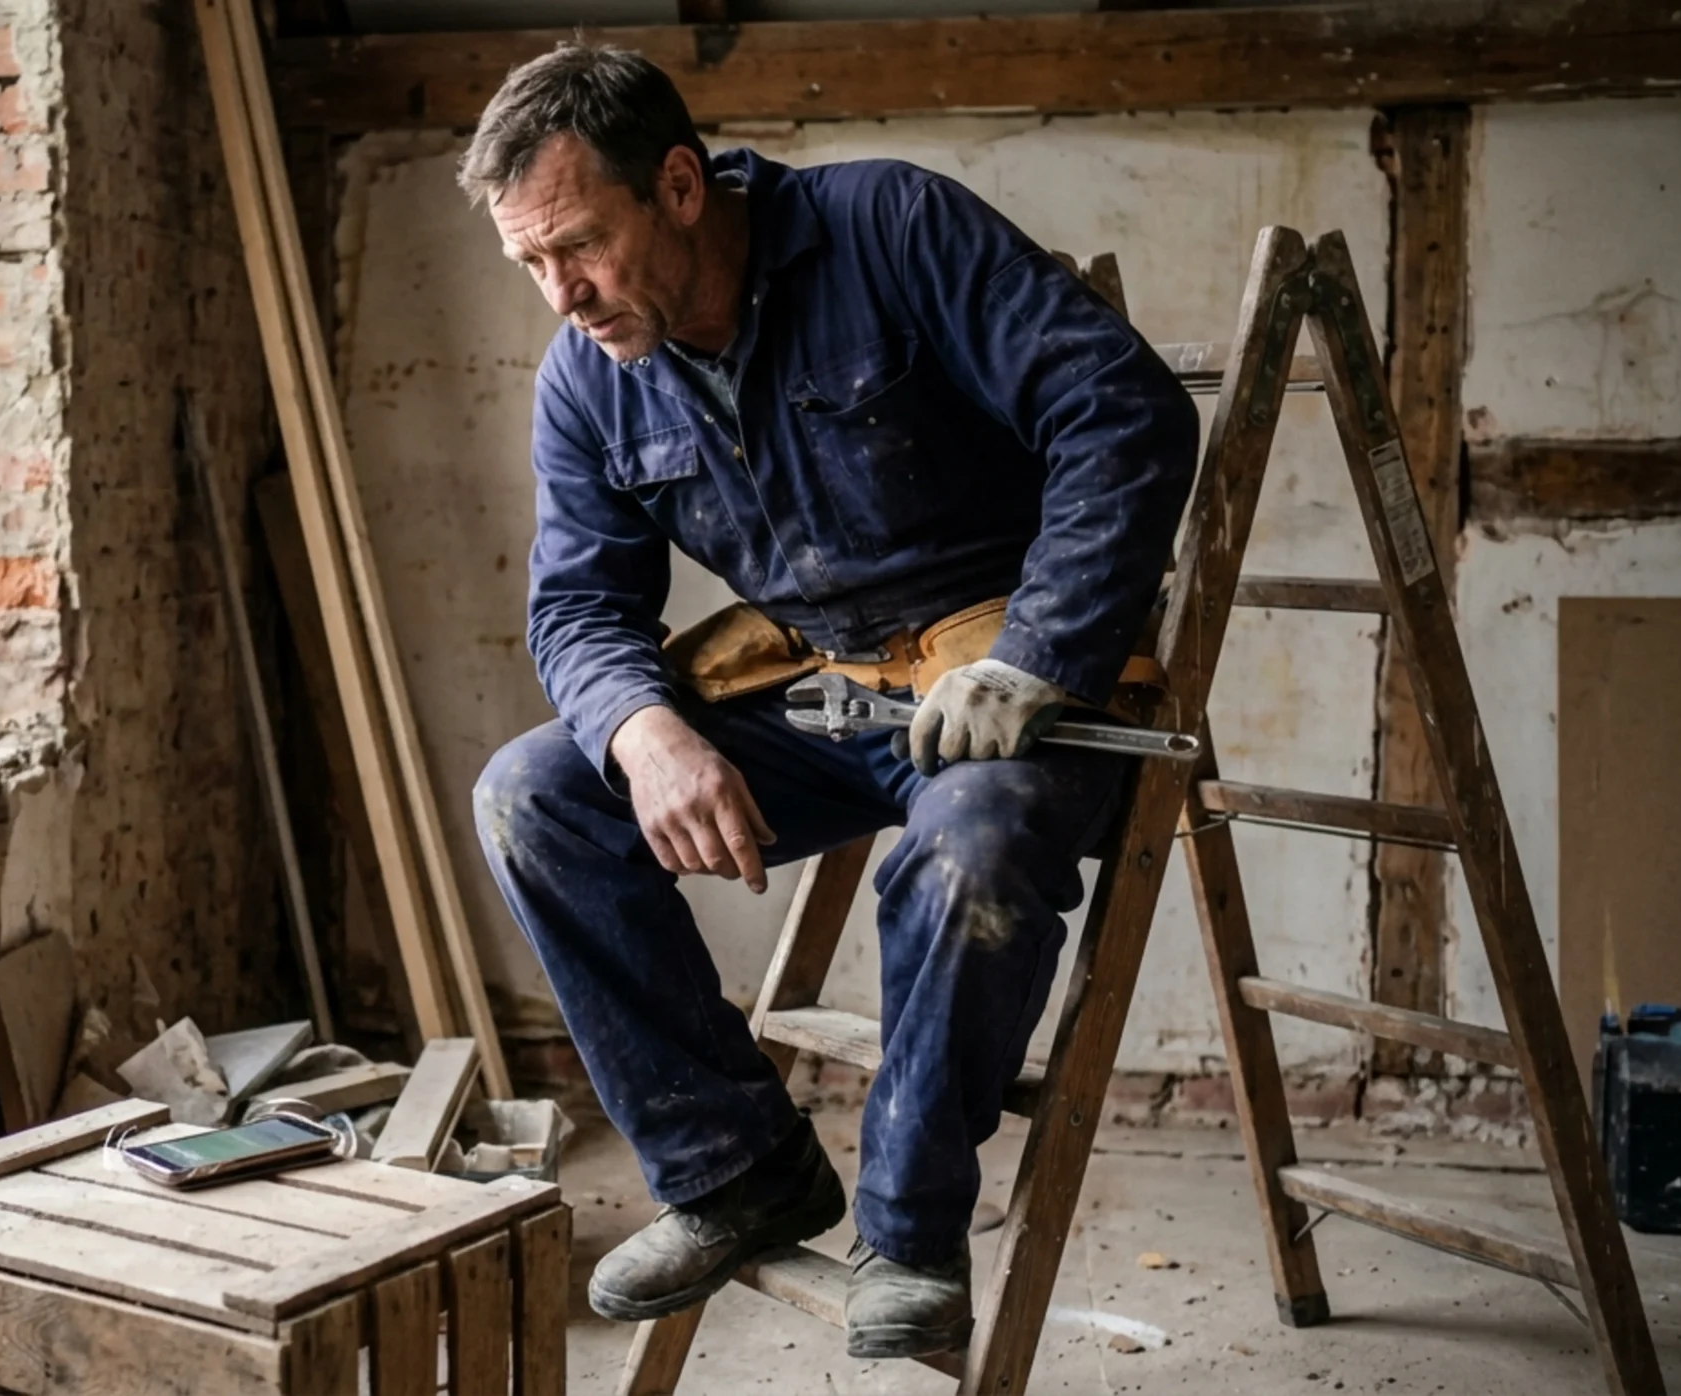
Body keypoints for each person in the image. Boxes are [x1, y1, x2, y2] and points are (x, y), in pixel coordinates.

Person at [460, 44, 1198, 1361]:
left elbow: (1122, 411)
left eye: (579, 246)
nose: (562, 294)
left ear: (678, 185)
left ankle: (909, 1231)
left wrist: (1038, 654)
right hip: (829, 700)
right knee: (534, 796)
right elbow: (577, 607)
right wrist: (646, 732)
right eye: (531, 263)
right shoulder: (586, 375)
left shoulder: (889, 227)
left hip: (1017, 700)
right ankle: (736, 1171)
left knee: (966, 845)